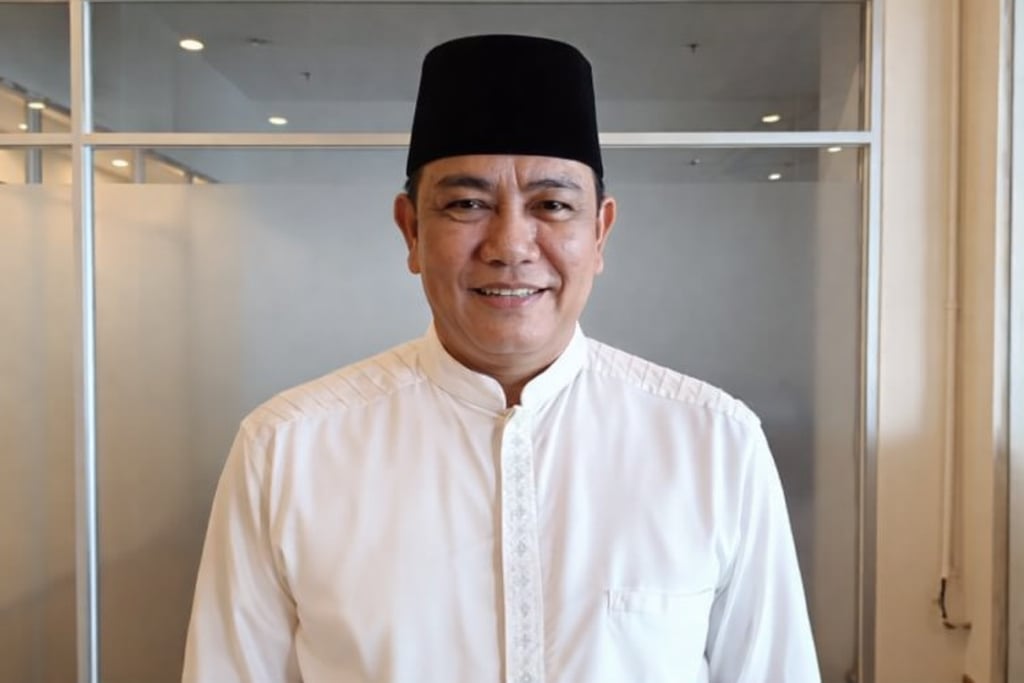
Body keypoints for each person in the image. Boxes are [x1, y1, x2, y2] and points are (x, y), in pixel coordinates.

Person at [182, 34, 820, 683]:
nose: (512, 244)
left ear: (599, 232)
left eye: (553, 205)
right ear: (411, 230)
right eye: (467, 204)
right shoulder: (287, 448)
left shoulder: (714, 442)